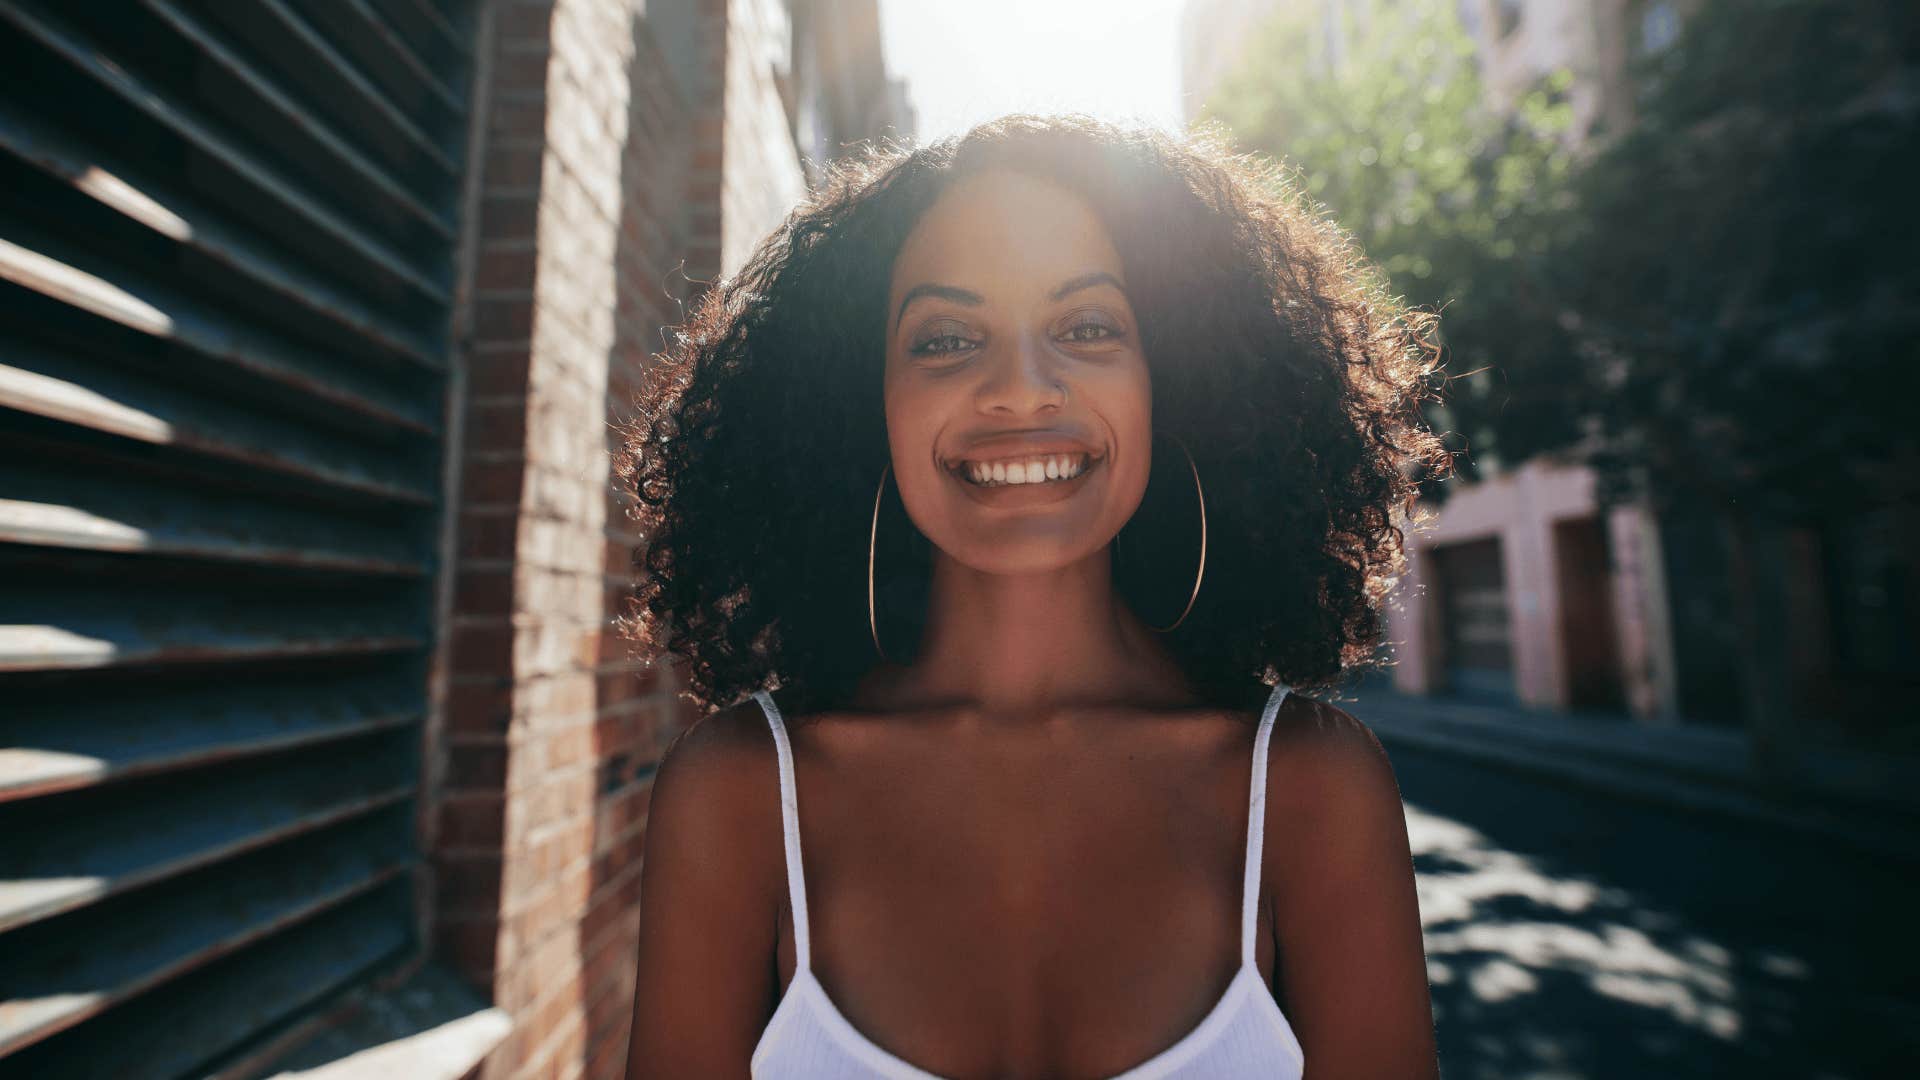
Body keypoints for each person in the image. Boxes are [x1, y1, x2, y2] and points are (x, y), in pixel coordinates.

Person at [622, 114, 1446, 1078]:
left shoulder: (1311, 789)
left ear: (1174, 383)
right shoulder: (739, 793)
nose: (1019, 390)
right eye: (944, 339)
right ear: (861, 404)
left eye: (1088, 327)